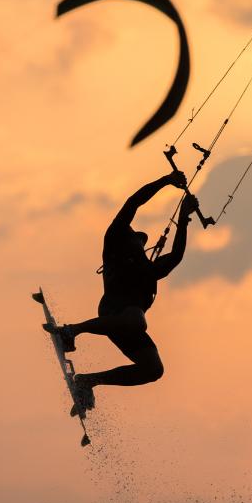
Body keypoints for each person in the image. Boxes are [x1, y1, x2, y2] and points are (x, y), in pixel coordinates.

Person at [46, 170, 199, 414]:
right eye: (137, 236)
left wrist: (183, 219)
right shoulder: (116, 237)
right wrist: (165, 180)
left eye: (142, 240)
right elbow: (134, 201)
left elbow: (177, 255)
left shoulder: (149, 271)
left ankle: (89, 381)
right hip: (114, 311)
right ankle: (71, 331)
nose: (140, 240)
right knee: (136, 320)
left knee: (153, 369)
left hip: (130, 324)